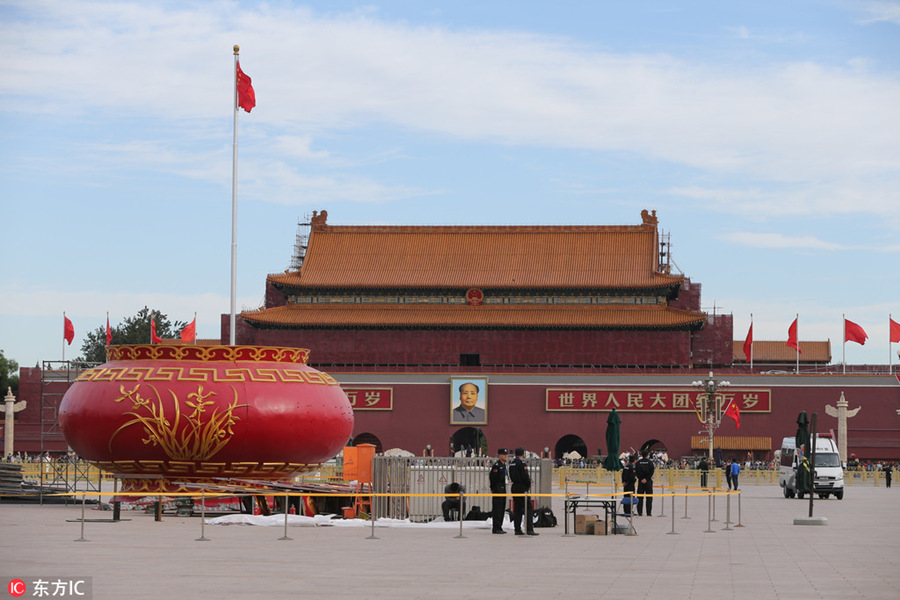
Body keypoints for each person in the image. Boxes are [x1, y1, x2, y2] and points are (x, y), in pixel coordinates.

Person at [509, 447, 538, 536]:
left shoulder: (512, 463)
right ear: (523, 454)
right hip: (521, 488)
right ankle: (529, 529)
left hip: (514, 487)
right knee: (528, 508)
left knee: (517, 509)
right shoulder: (521, 463)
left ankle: (517, 529)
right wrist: (528, 485)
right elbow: (525, 476)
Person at [489, 448, 509, 534]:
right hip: (497, 489)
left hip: (503, 488)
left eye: (506, 455)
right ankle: (496, 527)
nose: (505, 456)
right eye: (504, 455)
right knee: (497, 508)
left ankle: (499, 526)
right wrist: (493, 488)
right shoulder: (496, 465)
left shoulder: (503, 465)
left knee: (502, 508)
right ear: (500, 455)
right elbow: (492, 478)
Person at [635, 449, 655, 517]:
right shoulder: (650, 462)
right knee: (649, 498)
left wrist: (641, 479)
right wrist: (646, 479)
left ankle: (639, 512)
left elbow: (636, 472)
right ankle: (648, 513)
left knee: (640, 497)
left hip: (641, 482)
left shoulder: (638, 463)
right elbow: (651, 472)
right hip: (648, 482)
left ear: (641, 455)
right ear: (647, 455)